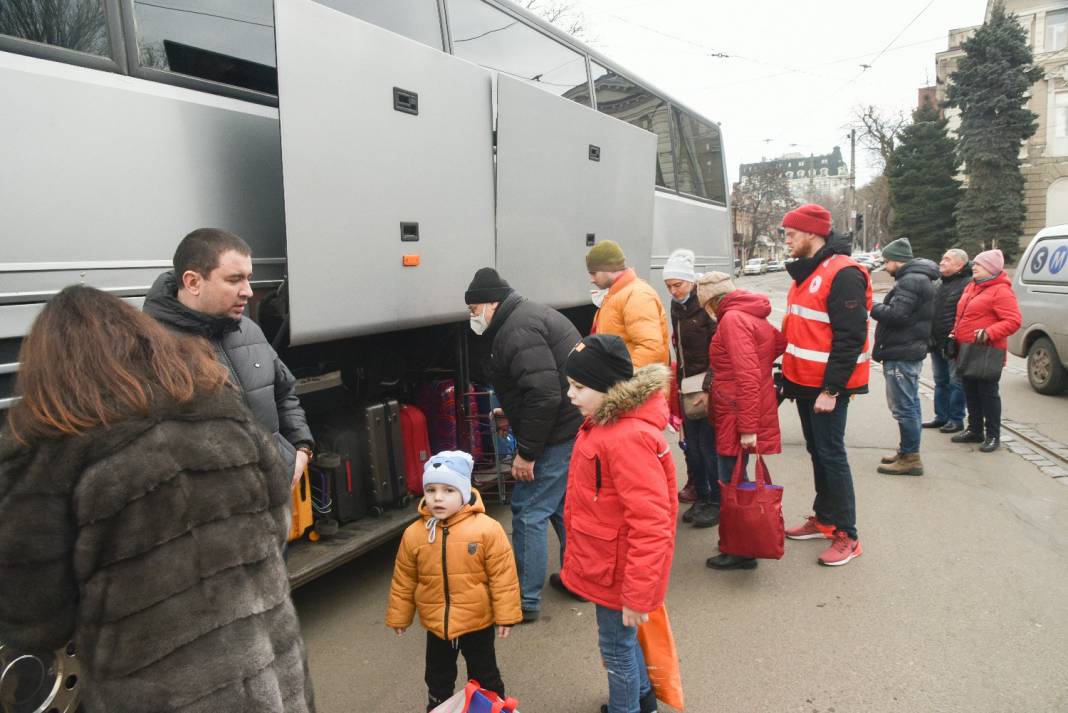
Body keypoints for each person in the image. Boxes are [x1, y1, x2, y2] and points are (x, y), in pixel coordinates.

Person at [0, 286, 315, 713]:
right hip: (270, 680)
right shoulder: (220, 407)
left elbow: (34, 613)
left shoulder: (48, 449)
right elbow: (275, 518)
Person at [144, 228, 313, 489]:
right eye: (234, 280)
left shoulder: (249, 330)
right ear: (192, 282)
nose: (247, 291)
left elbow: (284, 392)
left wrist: (300, 449)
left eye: (248, 278)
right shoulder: (151, 348)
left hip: (272, 500)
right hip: (218, 517)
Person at [560, 335, 677, 713]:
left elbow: (652, 523)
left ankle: (626, 707)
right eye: (569, 385)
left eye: (579, 387)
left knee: (616, 648)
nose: (570, 395)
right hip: (609, 565)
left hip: (620, 571)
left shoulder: (626, 437)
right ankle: (642, 700)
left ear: (609, 387)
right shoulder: (607, 425)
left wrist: (639, 594)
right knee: (620, 643)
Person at [464, 267, 585, 621]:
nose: (473, 318)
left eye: (474, 311)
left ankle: (525, 600)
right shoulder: (525, 317)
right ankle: (579, 579)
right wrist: (510, 412)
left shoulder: (516, 330)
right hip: (569, 423)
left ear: (491, 303)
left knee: (529, 512)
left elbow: (544, 395)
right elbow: (538, 385)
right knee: (561, 507)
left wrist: (527, 453)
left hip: (557, 430)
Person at [386, 451, 521, 712]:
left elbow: (503, 576)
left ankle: (493, 708)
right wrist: (400, 616)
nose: (438, 497)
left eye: (448, 490)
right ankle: (438, 707)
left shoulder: (486, 529)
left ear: (464, 492)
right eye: (431, 489)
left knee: (486, 677)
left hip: (477, 623)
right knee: (437, 679)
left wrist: (506, 615)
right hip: (437, 626)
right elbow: (404, 579)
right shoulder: (414, 534)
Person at [779, 204, 871, 567]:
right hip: (803, 383)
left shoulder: (843, 273)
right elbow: (801, 331)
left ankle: (848, 534)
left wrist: (831, 390)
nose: (786, 240)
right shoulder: (806, 272)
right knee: (818, 453)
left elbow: (850, 337)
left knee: (832, 456)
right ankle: (825, 519)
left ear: (812, 234)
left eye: (791, 234)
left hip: (827, 388)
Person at [696, 272, 787, 570]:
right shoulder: (749, 313)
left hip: (736, 413)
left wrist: (748, 428)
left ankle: (740, 547)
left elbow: (746, 375)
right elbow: (777, 343)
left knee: (731, 480)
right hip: (738, 408)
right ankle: (740, 542)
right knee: (736, 477)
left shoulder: (732, 320)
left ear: (711, 301)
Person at [870, 237, 939, 476]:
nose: (885, 266)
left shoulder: (911, 281)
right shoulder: (918, 278)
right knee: (909, 404)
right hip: (907, 347)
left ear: (898, 261)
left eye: (887, 261)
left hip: (902, 349)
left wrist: (872, 306)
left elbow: (897, 315)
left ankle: (911, 457)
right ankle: (907, 450)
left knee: (904, 405)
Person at [664, 248, 720, 528]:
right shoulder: (678, 307)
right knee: (693, 447)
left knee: (708, 448)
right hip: (688, 387)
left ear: (692, 282)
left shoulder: (706, 305)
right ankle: (702, 496)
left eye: (678, 285)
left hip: (707, 388)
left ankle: (714, 501)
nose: (674, 291)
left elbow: (719, 350)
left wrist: (709, 386)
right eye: (669, 286)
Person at [949, 249, 1022, 453]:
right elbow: (962, 314)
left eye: (979, 265)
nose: (974, 267)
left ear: (990, 269)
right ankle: (974, 429)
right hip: (967, 349)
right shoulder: (972, 286)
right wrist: (954, 333)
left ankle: (992, 435)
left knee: (988, 394)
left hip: (987, 351)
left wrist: (989, 332)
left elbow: (1013, 321)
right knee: (970, 391)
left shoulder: (1001, 291)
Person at [586, 240, 671, 368]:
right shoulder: (616, 295)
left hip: (632, 385)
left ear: (608, 268)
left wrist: (623, 380)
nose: (591, 279)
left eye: (593, 273)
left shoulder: (637, 295)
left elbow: (651, 347)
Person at [926, 249, 972, 434]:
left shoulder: (968, 284)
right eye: (942, 257)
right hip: (936, 341)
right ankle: (941, 416)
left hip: (954, 342)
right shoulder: (937, 283)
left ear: (959, 265)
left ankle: (956, 419)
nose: (942, 261)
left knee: (956, 381)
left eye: (947, 259)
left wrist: (955, 336)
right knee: (940, 380)